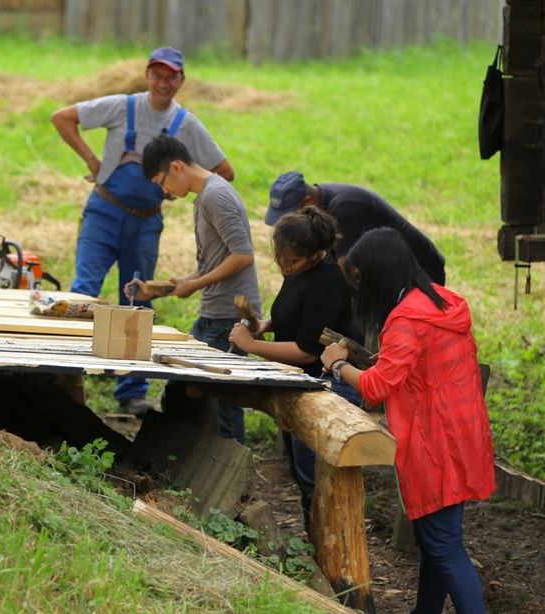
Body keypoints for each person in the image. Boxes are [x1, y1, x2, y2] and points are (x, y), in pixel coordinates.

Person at [50, 47, 234, 417]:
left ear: (181, 81)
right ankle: (63, 377)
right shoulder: (122, 106)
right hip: (103, 212)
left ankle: (131, 392)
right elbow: (62, 117)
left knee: (137, 300)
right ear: (147, 75)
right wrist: (91, 160)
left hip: (146, 222)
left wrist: (177, 188)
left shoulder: (187, 124)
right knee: (83, 291)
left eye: (172, 77)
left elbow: (224, 171)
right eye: (158, 75)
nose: (164, 83)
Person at [320, 227, 494, 614]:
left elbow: (377, 387)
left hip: (434, 443)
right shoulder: (443, 303)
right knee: (436, 539)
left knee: (445, 545)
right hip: (464, 434)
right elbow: (414, 368)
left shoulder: (405, 319)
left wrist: (338, 363)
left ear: (378, 275)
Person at [226, 207, 361, 531]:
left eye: (292, 261)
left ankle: (333, 553)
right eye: (280, 259)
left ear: (316, 254)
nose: (285, 267)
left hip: (324, 387)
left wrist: (251, 345)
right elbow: (297, 317)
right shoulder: (300, 274)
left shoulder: (328, 282)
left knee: (315, 479)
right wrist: (267, 325)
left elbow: (305, 351)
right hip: (300, 383)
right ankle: (316, 545)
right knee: (303, 477)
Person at [130, 134, 260, 441]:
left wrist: (196, 284)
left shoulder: (216, 196)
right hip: (213, 313)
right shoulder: (203, 197)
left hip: (229, 316)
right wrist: (166, 287)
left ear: (176, 167)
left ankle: (231, 469)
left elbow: (243, 255)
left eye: (162, 182)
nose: (165, 191)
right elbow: (215, 261)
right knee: (179, 391)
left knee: (225, 399)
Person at [265, 172, 446, 285]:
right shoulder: (319, 202)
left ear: (307, 202)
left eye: (288, 214)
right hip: (385, 274)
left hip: (419, 273)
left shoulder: (346, 207)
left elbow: (347, 271)